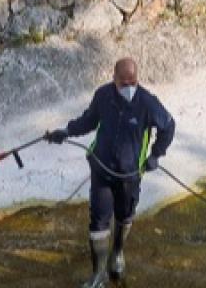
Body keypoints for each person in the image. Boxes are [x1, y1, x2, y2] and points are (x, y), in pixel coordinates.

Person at [47, 57, 175, 287]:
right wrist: (65, 131)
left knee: (125, 215)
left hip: (130, 175)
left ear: (137, 79)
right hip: (101, 169)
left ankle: (117, 252)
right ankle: (98, 274)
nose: (128, 87)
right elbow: (88, 121)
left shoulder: (147, 102)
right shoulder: (103, 95)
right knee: (98, 221)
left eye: (132, 81)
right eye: (123, 82)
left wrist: (156, 155)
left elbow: (168, 126)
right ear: (114, 78)